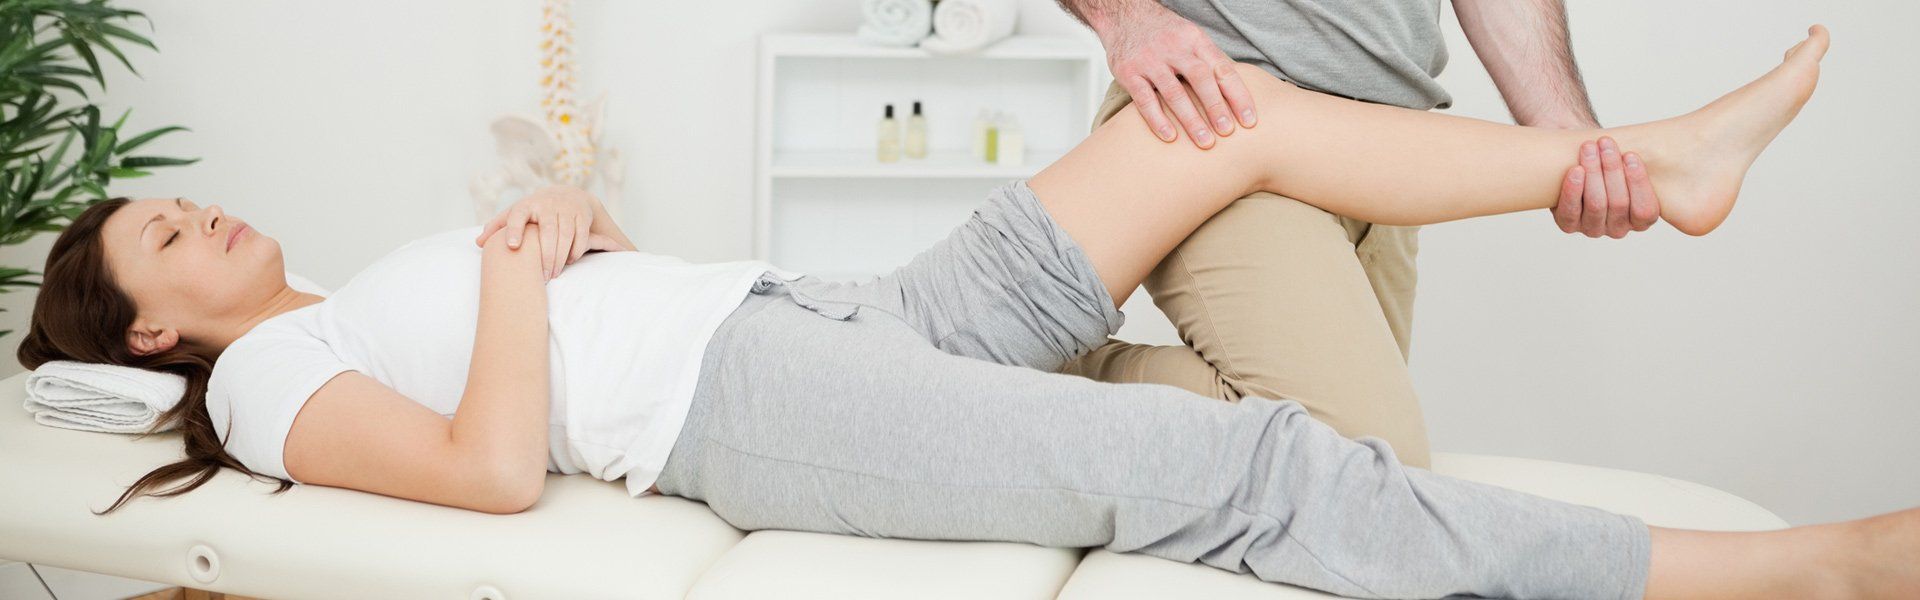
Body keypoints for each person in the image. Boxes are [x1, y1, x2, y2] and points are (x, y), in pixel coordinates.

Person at [26, 27, 1911, 599]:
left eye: (176, 197)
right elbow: (497, 467)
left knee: (1219, 120)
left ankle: (1648, 161)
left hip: (826, 314)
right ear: (158, 339)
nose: (192, 212)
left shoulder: (339, 296)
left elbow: (532, 332)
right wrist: (525, 276)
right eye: (156, 240)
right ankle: (1816, 571)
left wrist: (564, 223)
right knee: (1245, 463)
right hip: (758, 408)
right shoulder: (271, 379)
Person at [1051, 0, 1660, 467]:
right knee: (1358, 454)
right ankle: (1015, 381)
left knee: (1350, 500)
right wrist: (1125, 15)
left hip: (1388, 155)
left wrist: (1566, 134)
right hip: (1222, 120)